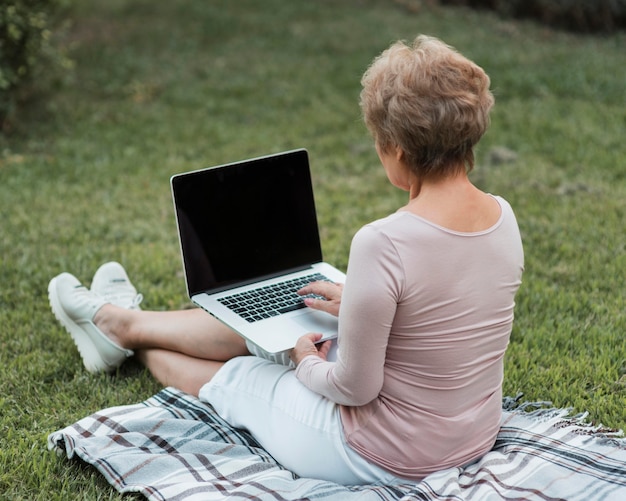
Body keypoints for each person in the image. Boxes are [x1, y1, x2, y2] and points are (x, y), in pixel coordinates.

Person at [48, 35, 524, 485]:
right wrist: (361, 304)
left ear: (396, 149)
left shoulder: (385, 241)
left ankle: (128, 341)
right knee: (296, 316)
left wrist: (301, 361)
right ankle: (121, 323)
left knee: (246, 375)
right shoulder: (502, 217)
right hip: (469, 435)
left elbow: (355, 389)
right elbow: (443, 311)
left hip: (380, 454)